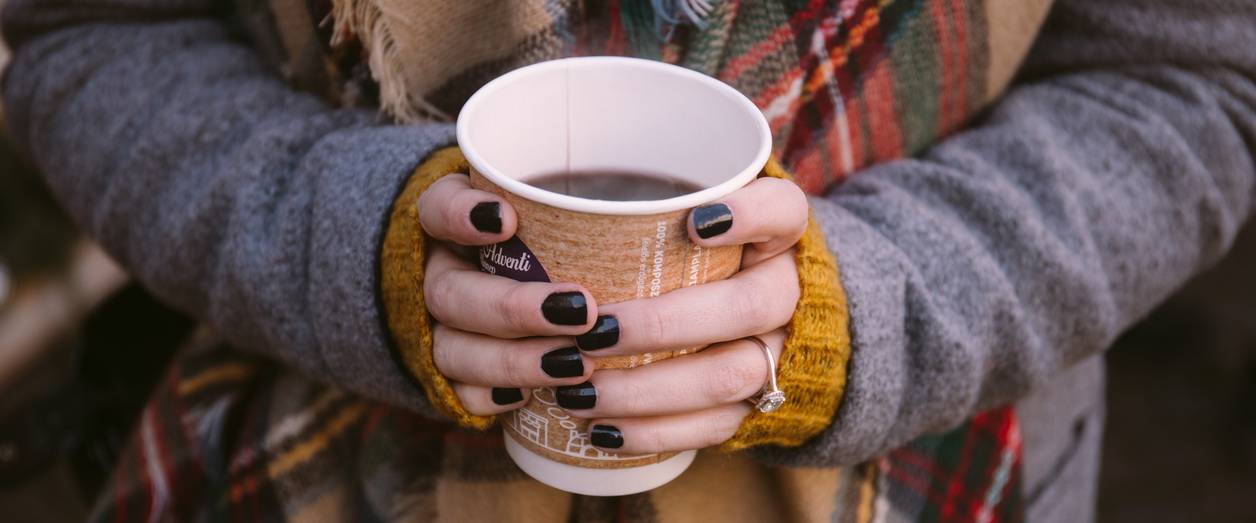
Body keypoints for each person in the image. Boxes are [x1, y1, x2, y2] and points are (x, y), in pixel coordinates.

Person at [3, 0, 1254, 521]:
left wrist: (870, 313)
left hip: (936, 477)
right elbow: (95, 28)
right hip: (315, 470)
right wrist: (359, 247)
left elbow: (1188, 78)